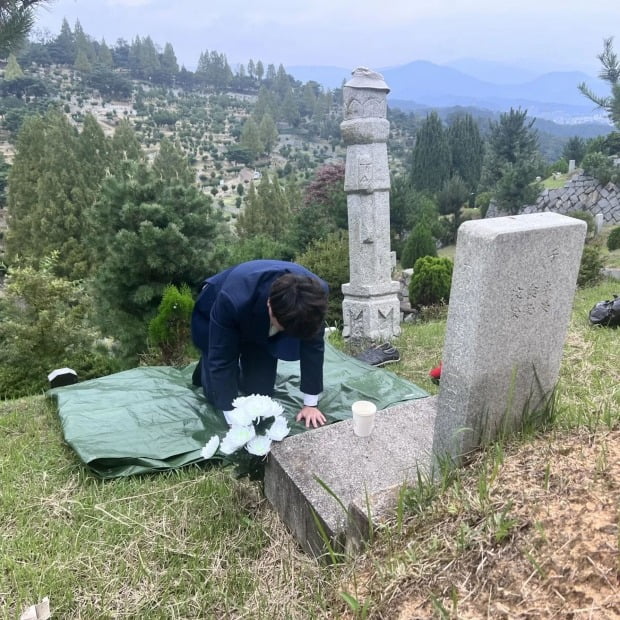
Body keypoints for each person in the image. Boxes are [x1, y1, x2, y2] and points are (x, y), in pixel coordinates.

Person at [191, 259, 329, 428]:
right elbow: (221, 357)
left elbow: (313, 347)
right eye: (283, 327)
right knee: (218, 388)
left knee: (260, 394)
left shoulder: (314, 298)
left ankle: (246, 354)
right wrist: (232, 414)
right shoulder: (231, 299)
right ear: (270, 306)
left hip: (261, 322)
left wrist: (310, 404)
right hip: (217, 303)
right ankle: (206, 361)